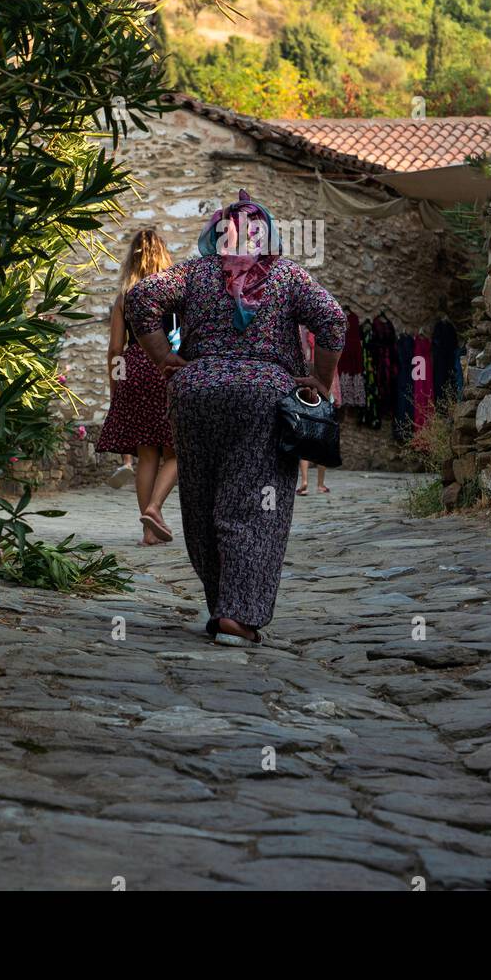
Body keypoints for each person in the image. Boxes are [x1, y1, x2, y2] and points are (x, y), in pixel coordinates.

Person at [125, 191, 345, 646]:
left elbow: (142, 298)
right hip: (264, 400)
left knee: (201, 502)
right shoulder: (286, 276)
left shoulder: (194, 273)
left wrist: (165, 357)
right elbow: (332, 319)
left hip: (196, 394)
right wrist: (320, 381)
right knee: (256, 506)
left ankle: (221, 602)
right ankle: (237, 614)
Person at [95, 229, 179, 545]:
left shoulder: (125, 297)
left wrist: (116, 387)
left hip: (133, 370)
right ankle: (155, 509)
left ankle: (148, 531)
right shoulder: (175, 294)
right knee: (177, 449)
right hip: (167, 369)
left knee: (146, 455)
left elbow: (116, 349)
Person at [296, 325, 340, 496]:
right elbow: (332, 395)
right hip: (324, 409)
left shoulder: (307, 367)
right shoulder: (329, 365)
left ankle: (305, 481)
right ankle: (321, 484)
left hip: (307, 408)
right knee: (322, 445)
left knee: (305, 446)